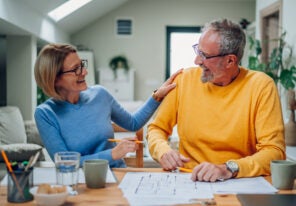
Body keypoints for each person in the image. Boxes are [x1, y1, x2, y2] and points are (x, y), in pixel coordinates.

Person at [146, 19, 286, 182]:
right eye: (198, 51)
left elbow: (275, 152)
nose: (197, 61)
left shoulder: (261, 86)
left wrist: (228, 168)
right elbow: (156, 129)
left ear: (230, 61)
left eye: (205, 55)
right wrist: (163, 151)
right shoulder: (184, 80)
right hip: (189, 179)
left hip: (238, 180)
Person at [34, 43, 182, 168]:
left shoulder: (100, 94)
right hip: (80, 183)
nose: (85, 72)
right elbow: (65, 164)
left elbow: (133, 123)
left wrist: (157, 96)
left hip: (116, 175)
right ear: (54, 78)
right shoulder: (45, 113)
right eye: (75, 69)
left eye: (82, 65)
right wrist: (113, 154)